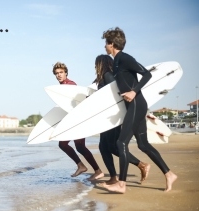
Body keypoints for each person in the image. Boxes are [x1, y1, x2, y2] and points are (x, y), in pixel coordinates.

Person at [100, 27, 177, 193]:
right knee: (143, 145)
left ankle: (121, 184)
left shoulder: (125, 58)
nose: (105, 47)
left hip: (136, 104)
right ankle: (169, 174)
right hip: (135, 106)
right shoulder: (117, 62)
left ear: (112, 44)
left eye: (106, 43)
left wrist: (134, 91)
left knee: (120, 143)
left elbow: (147, 74)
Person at [94, 54, 151, 185]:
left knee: (112, 147)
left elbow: (115, 96)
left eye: (96, 64)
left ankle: (141, 165)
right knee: (104, 147)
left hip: (112, 118)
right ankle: (114, 176)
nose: (95, 67)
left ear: (102, 64)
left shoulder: (108, 75)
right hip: (106, 118)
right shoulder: (104, 77)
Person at [53, 62, 104, 180]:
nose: (59, 75)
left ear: (66, 73)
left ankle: (95, 170)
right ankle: (84, 167)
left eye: (61, 72)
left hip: (78, 120)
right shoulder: (62, 87)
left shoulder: (70, 85)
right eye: (56, 73)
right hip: (73, 120)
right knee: (72, 146)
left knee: (69, 145)